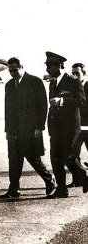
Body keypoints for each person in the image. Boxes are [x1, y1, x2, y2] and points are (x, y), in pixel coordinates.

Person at [0, 57, 56, 199]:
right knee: (13, 160)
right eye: (10, 71)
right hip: (14, 130)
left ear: (21, 67)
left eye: (15, 70)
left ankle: (50, 181)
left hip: (30, 129)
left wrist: (39, 127)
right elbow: (8, 110)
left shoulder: (35, 82)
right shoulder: (9, 85)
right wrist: (7, 130)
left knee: (33, 158)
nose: (12, 73)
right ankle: (14, 189)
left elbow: (43, 106)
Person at [45, 51, 88, 198]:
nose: (47, 69)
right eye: (47, 66)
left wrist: (62, 101)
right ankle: (62, 189)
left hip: (70, 127)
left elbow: (82, 101)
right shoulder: (52, 82)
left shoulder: (73, 80)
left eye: (50, 66)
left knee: (67, 157)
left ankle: (84, 175)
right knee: (54, 158)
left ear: (60, 66)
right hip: (56, 127)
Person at [67, 63, 88, 186]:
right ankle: (78, 179)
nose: (74, 76)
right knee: (72, 154)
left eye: (77, 73)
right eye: (72, 73)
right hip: (77, 127)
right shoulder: (72, 87)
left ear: (84, 73)